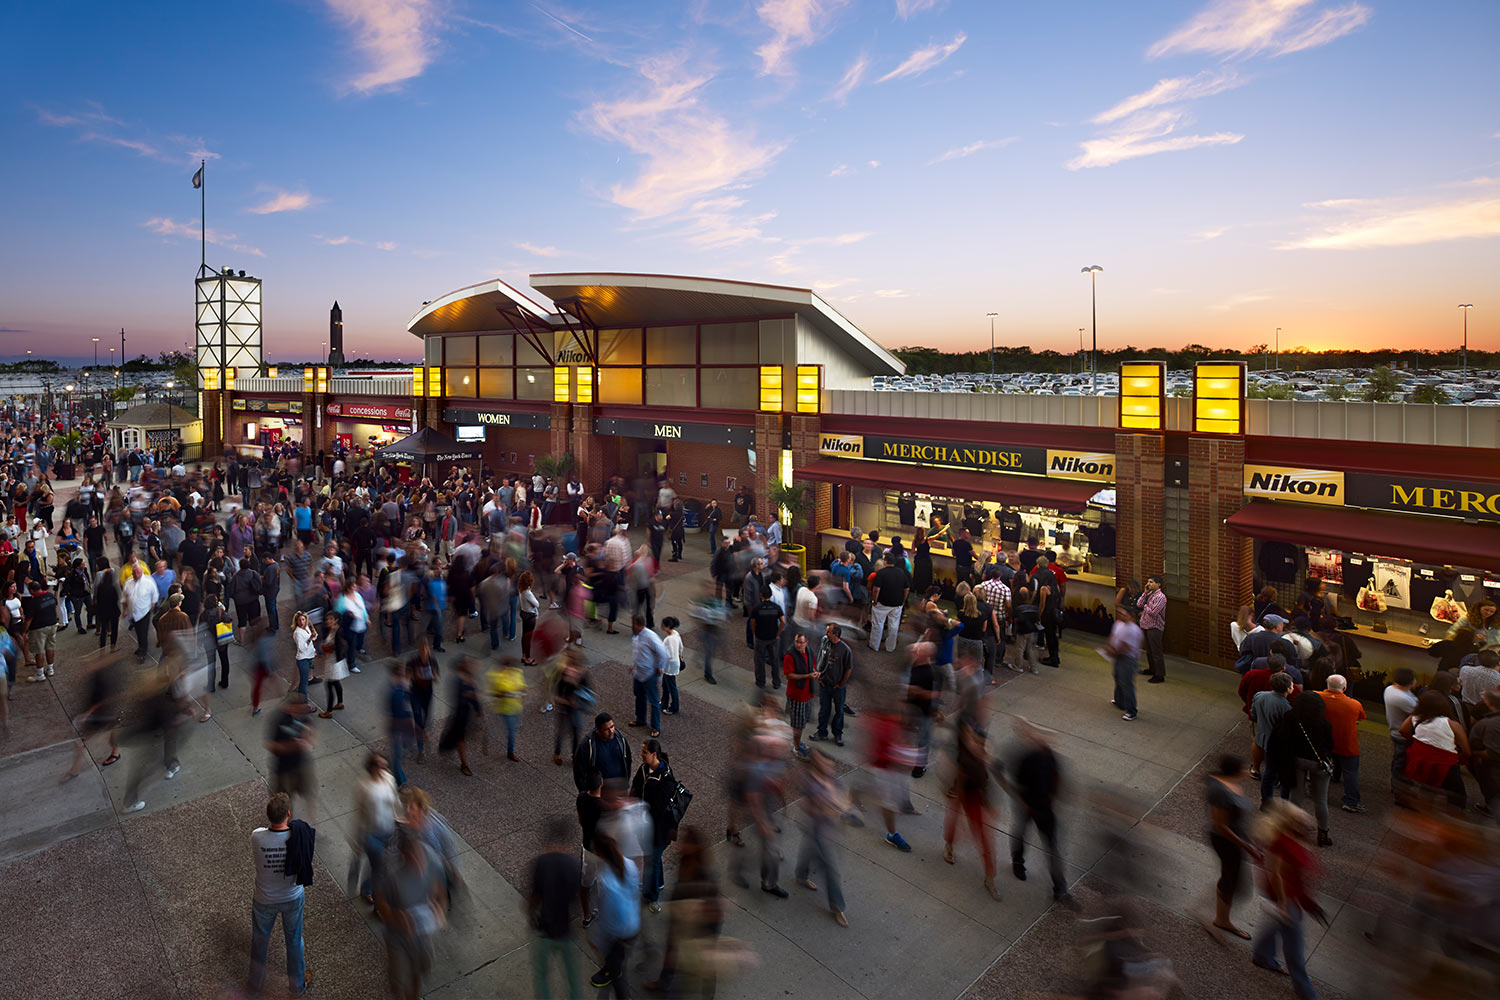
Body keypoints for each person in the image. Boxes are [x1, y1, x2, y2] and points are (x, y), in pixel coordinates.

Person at [1249, 800, 1325, 998]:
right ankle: (1304, 988)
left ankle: (1261, 955)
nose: (1306, 823)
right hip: (1284, 896)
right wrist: (1283, 902)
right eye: (1300, 819)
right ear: (1289, 822)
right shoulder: (1280, 842)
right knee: (1294, 943)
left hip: (1291, 896)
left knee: (1276, 926)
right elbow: (1276, 875)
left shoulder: (1295, 836)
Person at [997, 719, 1073, 905]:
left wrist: (1053, 800)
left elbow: (1057, 779)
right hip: (1029, 806)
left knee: (1052, 848)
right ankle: (1018, 863)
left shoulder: (1049, 756)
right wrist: (1027, 805)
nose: (1046, 741)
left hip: (1045, 809)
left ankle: (1060, 888)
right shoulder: (1024, 759)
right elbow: (1017, 786)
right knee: (1022, 833)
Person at [375, 825, 449, 1000]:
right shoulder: (391, 870)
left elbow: (440, 891)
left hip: (422, 931)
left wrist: (440, 908)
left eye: (420, 858)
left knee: (421, 967)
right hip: (397, 936)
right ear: (404, 856)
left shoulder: (432, 859)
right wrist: (394, 916)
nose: (419, 865)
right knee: (398, 978)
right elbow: (380, 900)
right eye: (413, 860)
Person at [248, 793, 310, 997]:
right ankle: (298, 985)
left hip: (264, 899)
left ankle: (256, 982)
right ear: (289, 815)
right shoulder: (297, 837)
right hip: (292, 897)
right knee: (294, 940)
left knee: (260, 940)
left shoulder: (257, 837)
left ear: (269, 816)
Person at [1201, 754, 1261, 942]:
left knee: (1232, 879)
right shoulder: (1220, 791)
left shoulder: (1230, 783)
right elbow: (1220, 826)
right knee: (1230, 879)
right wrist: (1248, 847)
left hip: (1236, 839)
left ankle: (1221, 914)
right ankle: (1222, 920)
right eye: (1244, 768)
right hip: (1226, 842)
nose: (1246, 770)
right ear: (1234, 771)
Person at [944, 716, 1002, 900]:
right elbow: (960, 782)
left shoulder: (978, 745)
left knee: (985, 840)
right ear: (962, 733)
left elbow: (986, 772)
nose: (972, 734)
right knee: (956, 823)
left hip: (976, 795)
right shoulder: (963, 755)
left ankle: (989, 879)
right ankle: (948, 846)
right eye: (968, 731)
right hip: (965, 795)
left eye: (972, 730)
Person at [1270, 692, 1335, 847]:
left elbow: (1282, 738)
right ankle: (1323, 834)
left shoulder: (1291, 718)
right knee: (1320, 800)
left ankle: (1291, 828)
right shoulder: (1324, 723)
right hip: (1318, 764)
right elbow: (1330, 745)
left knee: (1296, 796)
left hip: (1296, 761)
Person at [527, 816, 582, 998]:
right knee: (572, 976)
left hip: (544, 929)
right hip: (565, 930)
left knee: (542, 975)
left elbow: (534, 897)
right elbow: (576, 898)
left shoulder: (541, 863)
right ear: (567, 840)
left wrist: (530, 914)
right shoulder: (574, 865)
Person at [795, 750, 851, 926]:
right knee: (831, 870)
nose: (829, 766)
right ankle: (837, 906)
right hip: (816, 829)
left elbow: (845, 800)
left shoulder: (835, 780)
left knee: (807, 851)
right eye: (823, 762)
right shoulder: (811, 784)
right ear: (815, 765)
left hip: (827, 829)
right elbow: (806, 806)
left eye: (828, 762)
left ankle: (801, 875)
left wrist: (842, 808)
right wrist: (828, 810)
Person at [1399, 690, 1471, 811]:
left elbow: (1403, 730)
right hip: (1444, 764)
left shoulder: (1416, 717)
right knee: (1457, 792)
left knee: (1424, 785)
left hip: (1419, 758)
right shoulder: (1452, 724)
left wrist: (1416, 741)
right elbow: (1467, 751)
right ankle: (1455, 813)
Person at [587, 833, 641, 996]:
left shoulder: (604, 881)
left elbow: (606, 918)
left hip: (618, 933)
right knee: (617, 962)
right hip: (633, 925)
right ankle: (610, 970)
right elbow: (635, 892)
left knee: (618, 973)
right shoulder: (629, 865)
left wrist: (597, 940)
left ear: (600, 854)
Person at [630, 737, 679, 912]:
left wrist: (640, 810)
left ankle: (653, 897)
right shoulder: (644, 769)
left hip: (659, 830)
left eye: (644, 752)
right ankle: (658, 884)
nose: (641, 754)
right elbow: (635, 787)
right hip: (645, 826)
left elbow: (659, 808)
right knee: (652, 859)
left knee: (653, 861)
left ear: (654, 754)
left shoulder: (665, 778)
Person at [348, 753, 398, 905]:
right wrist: (356, 839)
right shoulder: (363, 786)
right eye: (381, 766)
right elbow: (358, 813)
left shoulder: (389, 779)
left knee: (376, 865)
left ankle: (366, 889)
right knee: (379, 867)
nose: (384, 769)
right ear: (372, 768)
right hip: (371, 834)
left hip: (389, 829)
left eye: (385, 766)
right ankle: (377, 900)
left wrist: (400, 819)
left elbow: (395, 802)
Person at [1317, 675, 1367, 814]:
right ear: (1345, 688)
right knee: (1350, 772)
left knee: (1320, 765)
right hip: (1346, 743)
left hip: (1323, 741)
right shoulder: (1354, 704)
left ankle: (1314, 789)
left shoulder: (1317, 697)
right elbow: (1361, 717)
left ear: (1326, 683)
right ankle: (1352, 801)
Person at [266, 691, 318, 823]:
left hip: (303, 765)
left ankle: (314, 826)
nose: (304, 712)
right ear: (292, 707)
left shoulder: (305, 716)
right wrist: (290, 746)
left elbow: (312, 736)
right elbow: (270, 745)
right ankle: (288, 829)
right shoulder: (279, 719)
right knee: (284, 803)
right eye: (301, 709)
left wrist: (308, 742)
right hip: (283, 770)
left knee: (310, 795)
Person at [811, 622, 852, 747]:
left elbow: (848, 669)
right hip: (824, 684)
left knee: (839, 711)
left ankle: (837, 733)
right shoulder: (825, 642)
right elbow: (820, 657)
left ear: (835, 634)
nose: (825, 633)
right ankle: (821, 731)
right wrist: (819, 674)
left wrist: (841, 684)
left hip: (837, 687)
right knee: (824, 710)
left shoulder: (845, 650)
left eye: (828, 632)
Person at [574, 712, 634, 792]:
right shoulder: (587, 746)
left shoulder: (620, 739)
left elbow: (628, 760)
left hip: (619, 789)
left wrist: (625, 782)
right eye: (606, 729)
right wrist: (585, 793)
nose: (611, 731)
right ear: (597, 730)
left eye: (612, 727)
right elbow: (579, 772)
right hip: (600, 792)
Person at [1383, 667, 1418, 796]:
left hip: (1396, 731)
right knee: (1401, 762)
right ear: (1411, 681)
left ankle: (1397, 785)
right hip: (1403, 735)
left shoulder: (1390, 690)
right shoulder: (1404, 699)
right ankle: (1398, 788)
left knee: (1399, 760)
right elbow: (1419, 712)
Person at [629, 614, 666, 738]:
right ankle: (640, 719)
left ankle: (656, 727)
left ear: (636, 624)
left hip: (650, 673)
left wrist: (659, 667)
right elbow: (637, 652)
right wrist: (634, 665)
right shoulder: (637, 635)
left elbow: (662, 652)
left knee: (653, 700)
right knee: (639, 695)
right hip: (639, 672)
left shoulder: (650, 637)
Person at [1106, 604, 1143, 721]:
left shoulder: (1133, 630)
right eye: (1119, 613)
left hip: (1127, 659)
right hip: (1118, 656)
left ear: (1130, 616)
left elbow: (1126, 648)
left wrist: (1112, 651)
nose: (1120, 615)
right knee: (1117, 677)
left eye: (1123, 614)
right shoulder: (1119, 624)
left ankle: (1131, 710)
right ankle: (1119, 701)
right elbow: (1113, 636)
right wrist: (1110, 646)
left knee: (1126, 684)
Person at [486, 656, 526, 763]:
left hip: (517, 707)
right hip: (504, 709)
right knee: (511, 731)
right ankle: (510, 752)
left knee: (514, 728)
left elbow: (523, 687)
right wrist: (504, 694)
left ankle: (489, 739)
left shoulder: (517, 673)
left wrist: (522, 690)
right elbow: (493, 693)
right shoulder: (496, 676)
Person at [868, 555, 909, 652]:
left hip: (882, 604)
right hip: (897, 604)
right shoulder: (901, 572)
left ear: (885, 562)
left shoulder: (881, 573)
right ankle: (890, 647)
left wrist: (874, 600)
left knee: (878, 624)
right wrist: (903, 600)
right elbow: (907, 588)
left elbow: (876, 589)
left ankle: (874, 645)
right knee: (894, 626)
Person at [408, 638, 440, 762]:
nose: (424, 652)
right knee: (418, 719)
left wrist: (433, 674)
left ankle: (423, 730)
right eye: (422, 650)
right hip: (415, 693)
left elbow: (437, 679)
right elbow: (407, 678)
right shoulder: (413, 662)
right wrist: (414, 675)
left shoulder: (432, 661)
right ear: (419, 650)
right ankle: (421, 750)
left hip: (427, 693)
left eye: (426, 650)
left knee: (426, 718)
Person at [1136, 575, 1168, 683]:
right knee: (1149, 651)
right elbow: (1138, 603)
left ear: (1158, 585)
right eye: (1148, 582)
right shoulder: (1149, 594)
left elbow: (1154, 612)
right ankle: (1152, 669)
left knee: (1156, 652)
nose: (1148, 584)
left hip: (1155, 627)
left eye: (1151, 582)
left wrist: (1145, 606)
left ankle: (1160, 675)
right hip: (1146, 625)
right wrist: (1144, 593)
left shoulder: (1161, 597)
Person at [660, 616, 683, 715]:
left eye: (663, 625)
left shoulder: (668, 639)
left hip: (669, 666)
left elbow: (669, 655)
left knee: (671, 687)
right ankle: (664, 703)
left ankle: (674, 707)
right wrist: (681, 656)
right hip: (673, 664)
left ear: (667, 626)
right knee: (665, 685)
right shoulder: (676, 634)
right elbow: (681, 647)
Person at [291, 610, 317, 695]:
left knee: (305, 680)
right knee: (303, 682)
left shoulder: (306, 628)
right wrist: (310, 638)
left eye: (303, 619)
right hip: (303, 659)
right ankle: (303, 704)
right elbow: (302, 648)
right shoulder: (298, 633)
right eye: (299, 620)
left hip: (309, 656)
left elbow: (313, 638)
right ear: (296, 621)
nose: (301, 622)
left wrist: (314, 635)